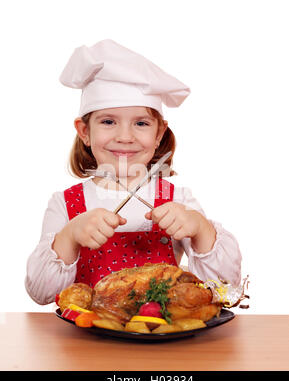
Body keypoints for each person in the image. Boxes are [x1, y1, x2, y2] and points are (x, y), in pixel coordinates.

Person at [25, 39, 242, 305]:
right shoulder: (65, 205)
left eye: (141, 123)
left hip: (162, 340)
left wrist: (200, 229)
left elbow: (224, 289)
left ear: (159, 133)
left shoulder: (179, 200)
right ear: (85, 132)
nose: (125, 137)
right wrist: (70, 236)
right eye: (108, 121)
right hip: (86, 343)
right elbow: (40, 294)